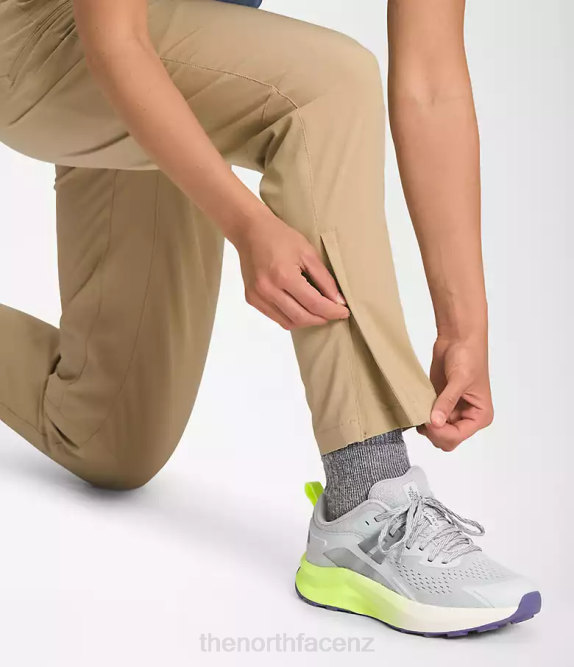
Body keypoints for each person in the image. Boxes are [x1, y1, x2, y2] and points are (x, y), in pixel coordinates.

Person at [0, 0, 540, 637]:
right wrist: (247, 225)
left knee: (109, 435)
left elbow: (432, 83)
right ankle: (366, 500)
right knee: (328, 82)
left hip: (163, 50)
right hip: (45, 34)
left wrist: (463, 326)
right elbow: (115, 41)